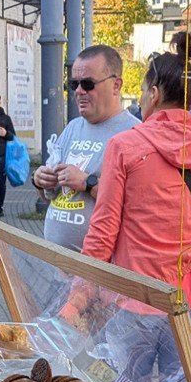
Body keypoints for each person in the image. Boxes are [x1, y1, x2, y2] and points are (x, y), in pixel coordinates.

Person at [82, 33, 191, 308]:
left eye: (143, 92)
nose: (142, 99)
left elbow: (103, 232)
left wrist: (77, 298)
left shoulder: (124, 146)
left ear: (153, 95)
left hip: (136, 297)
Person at [32, 44, 140, 251]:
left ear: (116, 85)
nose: (79, 91)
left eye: (88, 84)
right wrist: (41, 181)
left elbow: (138, 207)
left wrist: (87, 183)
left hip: (98, 270)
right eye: (74, 84)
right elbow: (51, 195)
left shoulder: (135, 133)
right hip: (59, 267)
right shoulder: (73, 127)